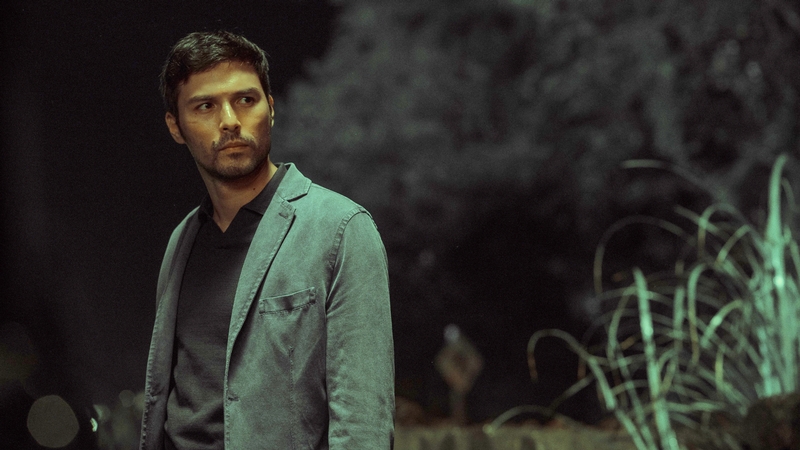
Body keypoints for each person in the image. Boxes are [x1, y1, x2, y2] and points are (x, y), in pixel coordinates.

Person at [139, 30, 395, 450]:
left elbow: (364, 424)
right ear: (176, 126)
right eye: (205, 106)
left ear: (271, 109)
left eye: (245, 99)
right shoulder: (182, 241)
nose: (230, 120)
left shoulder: (341, 228)